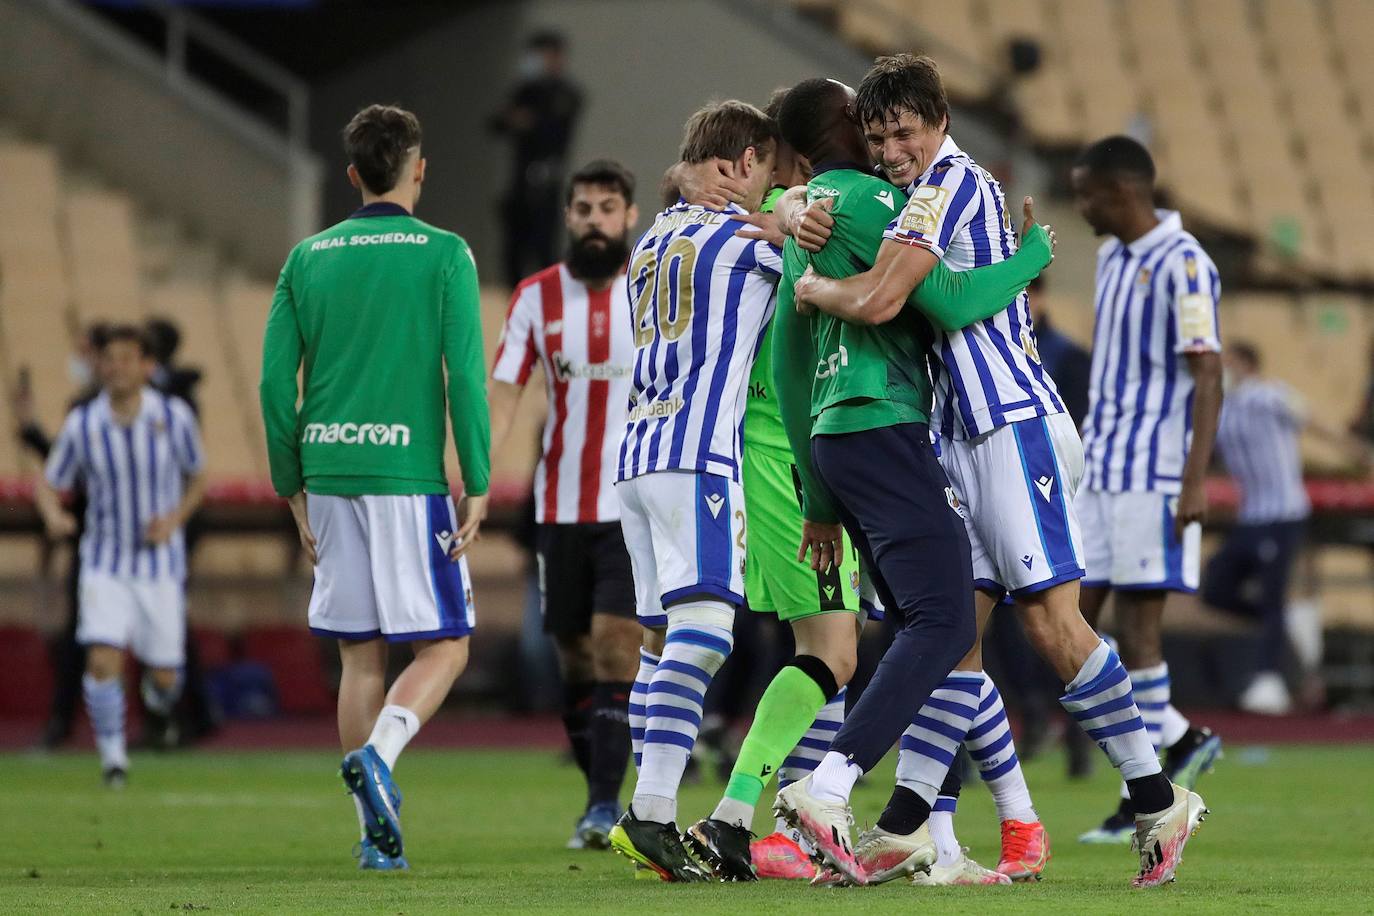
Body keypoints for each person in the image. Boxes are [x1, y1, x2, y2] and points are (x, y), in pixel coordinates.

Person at [788, 56, 1201, 889]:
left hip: (1012, 424)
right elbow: (855, 237)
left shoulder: (947, 184)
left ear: (938, 121)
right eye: (878, 137)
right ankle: (906, 828)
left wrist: (816, 289)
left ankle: (1159, 796)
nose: (893, 149)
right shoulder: (906, 194)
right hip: (954, 433)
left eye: (904, 130)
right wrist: (798, 207)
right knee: (953, 638)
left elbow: (887, 299)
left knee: (1050, 626)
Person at [676, 78, 1055, 885]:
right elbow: (949, 302)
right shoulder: (871, 206)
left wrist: (819, 498)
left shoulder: (808, 220)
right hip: (886, 428)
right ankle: (830, 785)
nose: (885, 143)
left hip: (837, 445)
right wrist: (1030, 259)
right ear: (843, 130)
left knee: (930, 634)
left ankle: (928, 838)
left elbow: (786, 353)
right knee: (949, 624)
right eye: (866, 123)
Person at [259, 104, 490, 872]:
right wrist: (480, 482)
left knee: (361, 658)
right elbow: (464, 375)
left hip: (327, 472)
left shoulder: (308, 258)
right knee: (448, 644)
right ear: (418, 170)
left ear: (354, 174)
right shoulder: (446, 254)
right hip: (405, 474)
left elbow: (271, 384)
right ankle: (382, 758)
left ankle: (371, 835)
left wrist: (291, 484)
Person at [605, 100, 781, 883]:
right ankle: (650, 811)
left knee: (658, 645)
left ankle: (640, 812)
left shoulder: (650, 239)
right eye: (767, 172)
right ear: (741, 164)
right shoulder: (745, 240)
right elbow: (831, 261)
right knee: (707, 634)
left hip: (637, 457)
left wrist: (680, 177)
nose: (772, 190)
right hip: (698, 455)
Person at [1068, 135, 1225, 848]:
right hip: (1102, 466)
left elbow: (1209, 374)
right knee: (1067, 621)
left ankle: (1145, 795)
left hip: (1155, 472)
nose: (1081, 205)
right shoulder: (1111, 256)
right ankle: (1176, 739)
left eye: (1086, 193)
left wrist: (1195, 478)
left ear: (1122, 193)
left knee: (1137, 630)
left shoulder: (1184, 263)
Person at [488, 159, 642, 849]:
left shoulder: (653, 289)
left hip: (634, 505)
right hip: (559, 510)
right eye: (582, 209)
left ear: (629, 216)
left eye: (607, 208)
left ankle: (608, 806)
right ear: (569, 217)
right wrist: (473, 479)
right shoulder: (534, 298)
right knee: (574, 658)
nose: (594, 221)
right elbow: (503, 396)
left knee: (616, 646)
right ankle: (598, 794)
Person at [33, 325, 206, 788]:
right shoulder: (83, 423)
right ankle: (114, 759)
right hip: (104, 561)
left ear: (147, 366)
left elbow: (198, 477)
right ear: (100, 366)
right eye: (109, 359)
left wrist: (174, 519)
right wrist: (55, 516)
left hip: (160, 565)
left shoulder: (174, 416)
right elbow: (49, 483)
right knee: (102, 659)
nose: (117, 368)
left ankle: (158, 702)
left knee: (167, 677)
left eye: (128, 359)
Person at [1206, 341, 1366, 714]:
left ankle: (1268, 678)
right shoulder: (1224, 409)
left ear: (1246, 363)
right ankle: (1287, 626)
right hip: (1249, 517)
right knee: (1217, 587)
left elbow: (1312, 422)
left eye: (1229, 362)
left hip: (1283, 514)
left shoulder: (1271, 395)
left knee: (1273, 591)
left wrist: (1358, 453)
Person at [15, 323, 106, 750]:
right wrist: (31, 431)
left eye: (86, 352)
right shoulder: (84, 409)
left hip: (131, 542)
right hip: (92, 537)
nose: (81, 361)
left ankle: (172, 719)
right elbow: (63, 470)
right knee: (78, 635)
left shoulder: (133, 410)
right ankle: (63, 723)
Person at [490, 31, 583, 287]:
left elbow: (552, 130)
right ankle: (515, 298)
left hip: (548, 180)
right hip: (520, 181)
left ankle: (548, 304)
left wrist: (529, 121)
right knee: (514, 249)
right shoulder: (524, 91)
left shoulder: (566, 93)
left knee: (545, 247)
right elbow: (497, 123)